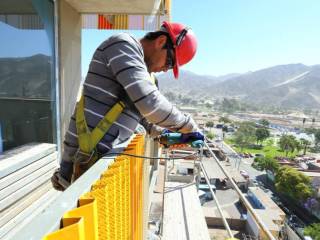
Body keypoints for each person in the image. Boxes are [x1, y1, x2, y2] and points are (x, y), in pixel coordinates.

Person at [51, 21, 203, 191]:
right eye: (169, 62)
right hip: (82, 161)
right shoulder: (122, 45)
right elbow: (150, 104)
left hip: (105, 164)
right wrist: (189, 127)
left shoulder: (148, 78)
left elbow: (147, 124)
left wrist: (173, 136)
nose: (166, 69)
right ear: (161, 42)